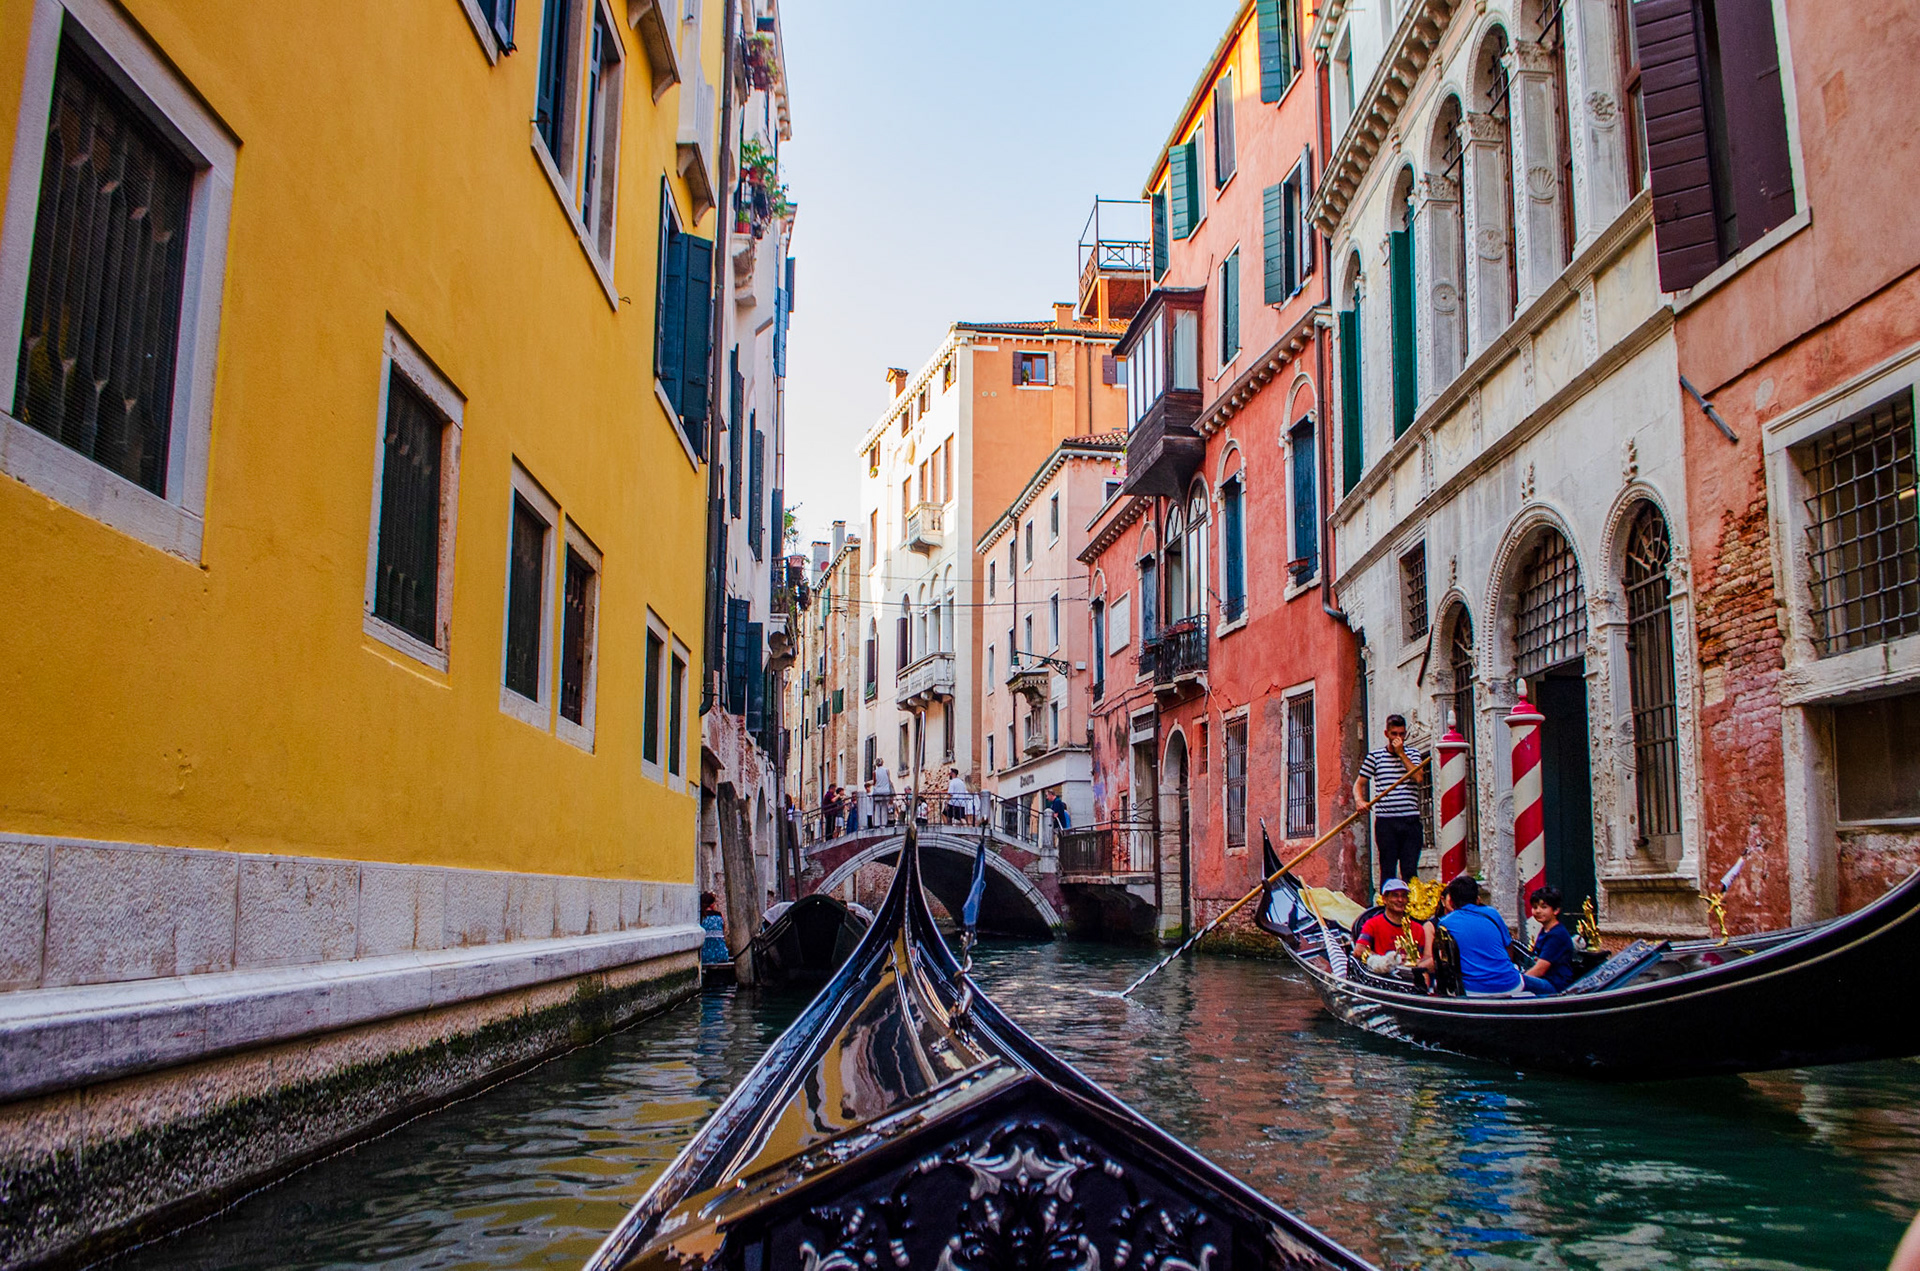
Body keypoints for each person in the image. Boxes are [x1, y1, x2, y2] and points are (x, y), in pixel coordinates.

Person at [1353, 714, 1428, 884]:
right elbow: (1359, 784)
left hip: (1410, 821)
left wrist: (1401, 754)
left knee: (1410, 870)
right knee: (1387, 870)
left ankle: (1411, 908)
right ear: (1386, 733)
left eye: (1401, 734)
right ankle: (1386, 908)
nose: (1398, 738)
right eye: (1394, 734)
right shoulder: (1375, 757)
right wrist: (1360, 801)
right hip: (1386, 823)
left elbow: (1418, 777)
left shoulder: (1413, 754)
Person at [1429, 875, 1524, 997]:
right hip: (1510, 984)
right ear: (1477, 899)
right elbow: (1509, 949)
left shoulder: (1445, 923)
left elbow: (1444, 962)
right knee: (1546, 986)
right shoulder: (1492, 913)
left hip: (1471, 990)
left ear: (1451, 902)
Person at [1354, 877, 1432, 973]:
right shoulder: (1372, 924)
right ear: (1384, 899)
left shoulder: (1418, 929)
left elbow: (1423, 957)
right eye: (1395, 895)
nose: (1400, 900)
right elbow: (1359, 950)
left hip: (1411, 975)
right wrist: (1385, 961)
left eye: (1404, 896)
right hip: (1382, 975)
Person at [1523, 885, 1577, 995]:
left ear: (1556, 910)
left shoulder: (1557, 935)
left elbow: (1540, 969)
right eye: (1535, 907)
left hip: (1554, 985)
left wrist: (1519, 981)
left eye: (1543, 907)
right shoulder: (1545, 930)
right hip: (1545, 980)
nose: (1538, 911)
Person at [699, 892, 728, 966]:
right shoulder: (719, 916)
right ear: (712, 905)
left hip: (704, 956)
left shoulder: (699, 918)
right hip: (721, 955)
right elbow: (723, 931)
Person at [872, 760, 894, 826]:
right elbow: (889, 780)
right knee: (884, 807)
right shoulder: (887, 770)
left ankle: (877, 823)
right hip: (886, 791)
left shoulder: (875, 772)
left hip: (878, 791)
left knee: (877, 807)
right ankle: (884, 823)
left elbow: (874, 782)